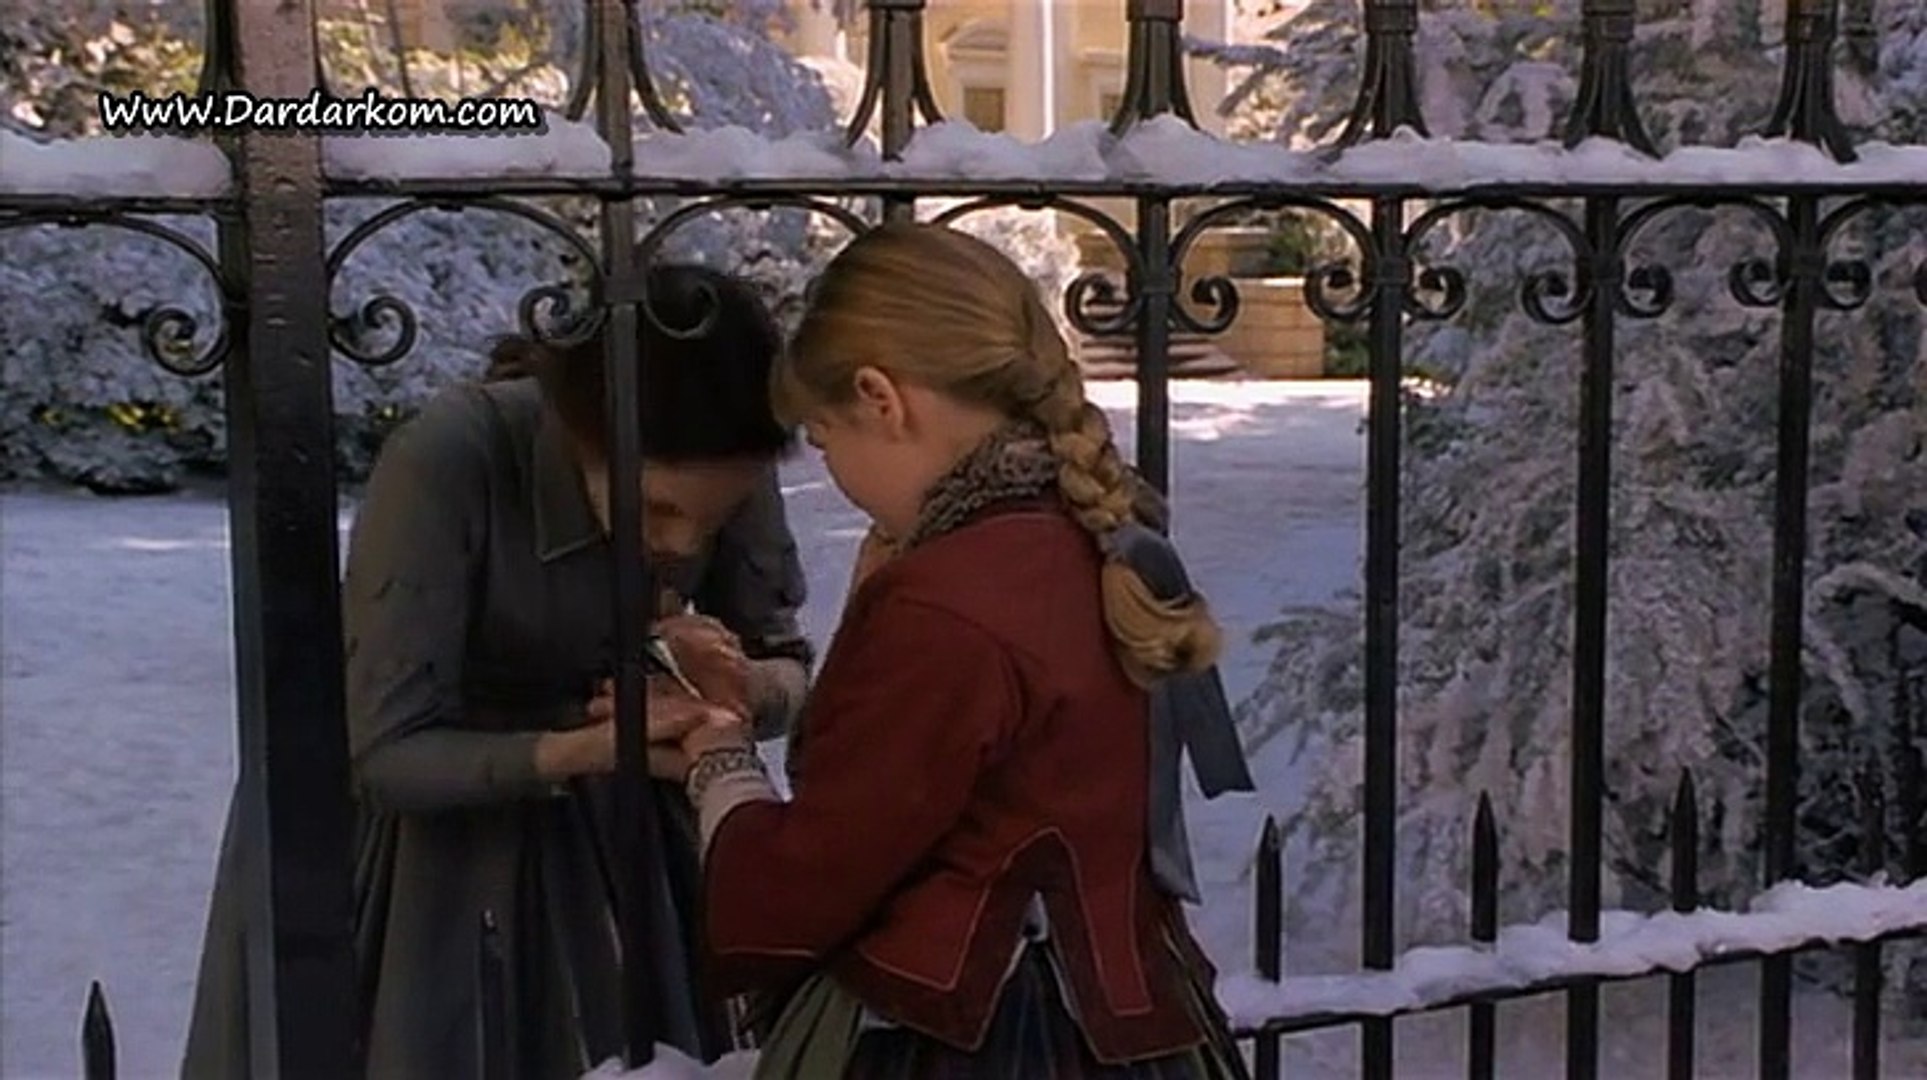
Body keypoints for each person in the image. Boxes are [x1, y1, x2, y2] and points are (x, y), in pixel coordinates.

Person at [178, 263, 813, 1079]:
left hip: (624, 849)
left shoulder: (726, 458)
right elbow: (381, 749)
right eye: (656, 510)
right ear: (582, 440)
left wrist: (736, 689)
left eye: (712, 518)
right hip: (425, 860)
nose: (685, 545)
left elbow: (785, 666)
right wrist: (589, 748)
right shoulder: (451, 457)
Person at [652, 222, 1256, 1078]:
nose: (833, 474)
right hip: (1131, 1027)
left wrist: (719, 755)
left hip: (977, 1037)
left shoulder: (946, 597)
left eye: (823, 439)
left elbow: (812, 876)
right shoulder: (1097, 536)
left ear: (879, 398)